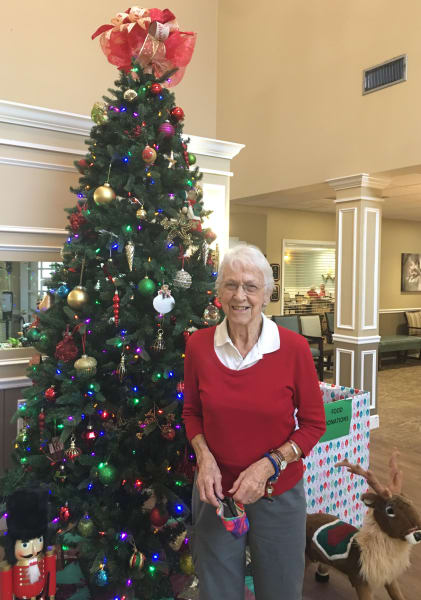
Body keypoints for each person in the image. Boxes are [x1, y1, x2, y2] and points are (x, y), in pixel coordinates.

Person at [183, 244, 326, 600]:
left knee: (280, 589)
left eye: (250, 286)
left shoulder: (292, 349)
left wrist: (269, 465)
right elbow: (191, 413)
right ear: (218, 294)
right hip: (216, 494)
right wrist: (204, 457)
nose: (240, 296)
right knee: (217, 591)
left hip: (278, 495)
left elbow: (313, 424)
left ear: (266, 293)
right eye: (230, 285)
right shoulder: (199, 346)